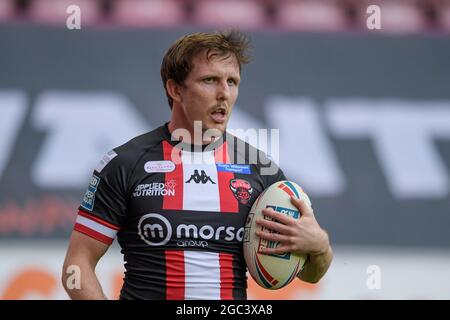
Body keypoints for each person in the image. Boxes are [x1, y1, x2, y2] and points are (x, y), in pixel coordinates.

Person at [61, 30, 333, 300]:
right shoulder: (125, 163)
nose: (224, 93)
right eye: (210, 80)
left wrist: (320, 247)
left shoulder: (260, 170)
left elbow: (310, 274)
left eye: (232, 82)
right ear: (175, 89)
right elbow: (77, 265)